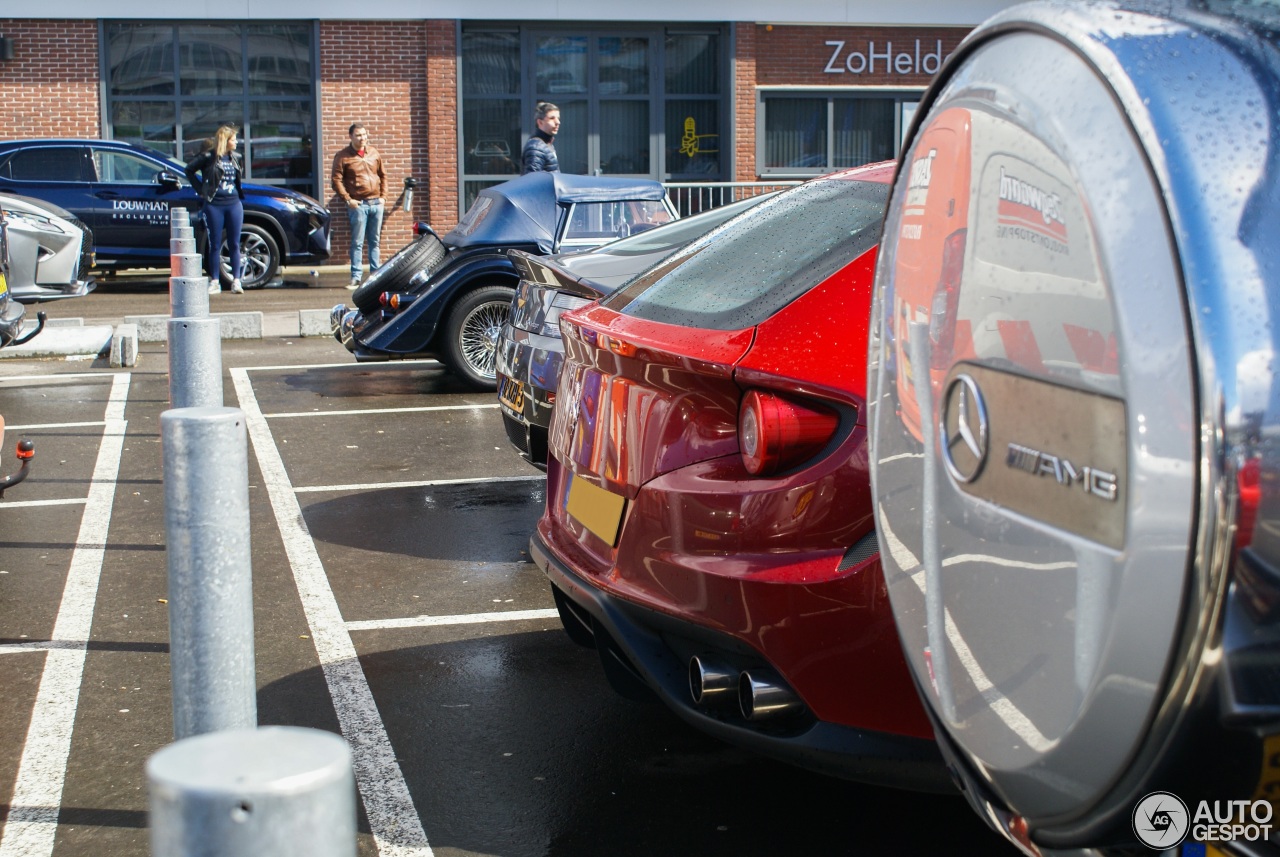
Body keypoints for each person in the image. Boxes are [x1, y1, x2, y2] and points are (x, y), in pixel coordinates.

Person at [184, 124, 246, 294]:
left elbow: (238, 178)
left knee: (234, 243)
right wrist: (201, 191)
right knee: (215, 244)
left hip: (234, 204)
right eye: (233, 139)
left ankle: (237, 281)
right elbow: (188, 170)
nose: (236, 142)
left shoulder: (236, 157)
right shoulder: (208, 157)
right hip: (214, 205)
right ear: (225, 140)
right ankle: (215, 281)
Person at [331, 123, 387, 289]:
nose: (362, 138)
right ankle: (356, 278)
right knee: (357, 242)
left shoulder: (374, 153)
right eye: (358, 135)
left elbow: (383, 175)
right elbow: (336, 180)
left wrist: (383, 197)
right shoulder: (343, 156)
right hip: (359, 205)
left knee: (375, 241)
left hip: (376, 202)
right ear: (351, 137)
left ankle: (375, 277)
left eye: (364, 134)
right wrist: (348, 200)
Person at [521, 102, 560, 175]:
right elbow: (532, 181)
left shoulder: (546, 144)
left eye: (558, 118)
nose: (558, 122)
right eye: (552, 118)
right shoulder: (536, 147)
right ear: (540, 122)